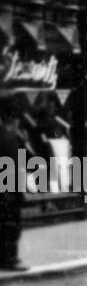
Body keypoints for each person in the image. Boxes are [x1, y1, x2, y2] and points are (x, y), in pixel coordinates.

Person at [0, 100, 28, 271]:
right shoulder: (10, 138)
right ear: (14, 120)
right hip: (9, 189)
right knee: (12, 226)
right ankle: (9, 260)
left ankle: (5, 258)